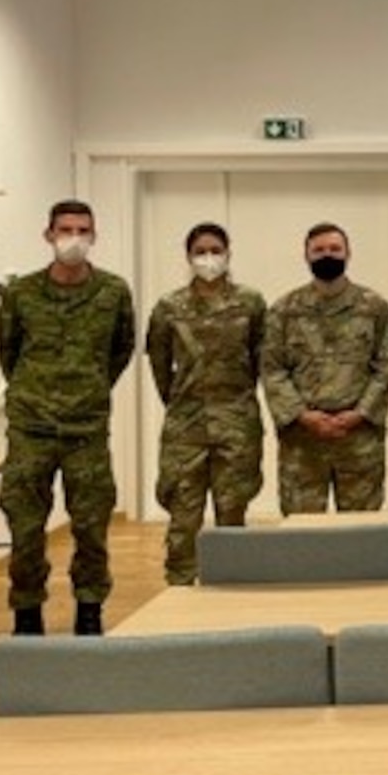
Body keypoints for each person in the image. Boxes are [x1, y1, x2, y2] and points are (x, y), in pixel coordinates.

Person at [0, 199, 136, 635]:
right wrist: (35, 393)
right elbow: (8, 351)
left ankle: (90, 612)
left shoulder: (112, 291)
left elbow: (121, 349)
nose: (73, 238)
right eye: (65, 229)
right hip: (30, 429)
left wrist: (90, 388)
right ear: (48, 235)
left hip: (85, 430)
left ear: (93, 237)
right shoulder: (21, 293)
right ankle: (27, 614)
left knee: (92, 528)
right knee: (25, 528)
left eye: (82, 230)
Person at [143, 221, 266, 585]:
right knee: (183, 517)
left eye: (215, 250)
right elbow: (159, 364)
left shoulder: (250, 302)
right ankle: (178, 592)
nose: (208, 258)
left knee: (232, 513)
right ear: (188, 256)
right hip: (186, 426)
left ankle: (230, 590)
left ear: (228, 254)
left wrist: (238, 399)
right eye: (200, 251)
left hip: (237, 422)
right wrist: (182, 402)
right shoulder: (169, 307)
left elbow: (262, 358)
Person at [259, 222, 388, 514]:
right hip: (303, 440)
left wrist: (360, 413)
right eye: (319, 250)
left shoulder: (374, 308)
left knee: (362, 536)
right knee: (303, 537)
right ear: (306, 256)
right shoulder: (284, 310)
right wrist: (302, 414)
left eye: (335, 249)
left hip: (359, 439)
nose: (327, 255)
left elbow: (385, 366)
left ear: (348, 254)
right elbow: (272, 369)